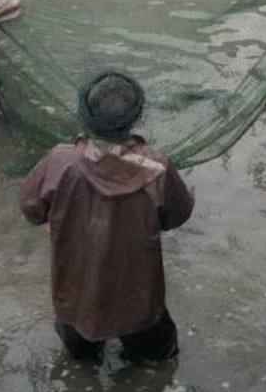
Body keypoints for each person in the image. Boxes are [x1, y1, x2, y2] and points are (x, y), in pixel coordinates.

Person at [20, 71, 195, 363]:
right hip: (139, 295)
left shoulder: (60, 161)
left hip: (75, 296)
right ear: (135, 118)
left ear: (85, 116)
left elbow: (31, 209)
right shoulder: (157, 167)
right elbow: (177, 215)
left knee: (80, 364)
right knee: (157, 361)